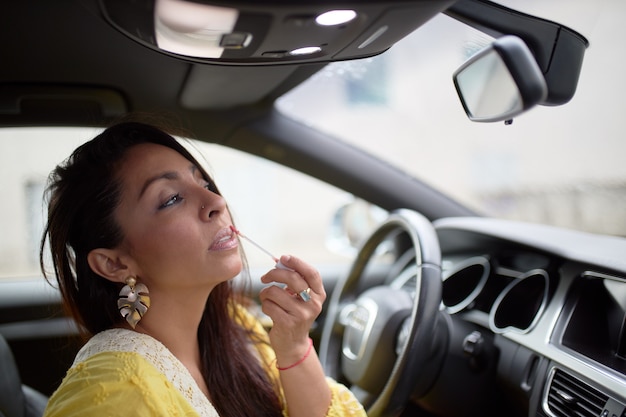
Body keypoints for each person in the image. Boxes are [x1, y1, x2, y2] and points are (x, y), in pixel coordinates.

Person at [40, 120, 366, 417]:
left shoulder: (235, 328)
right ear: (115, 263)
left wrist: (293, 344)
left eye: (204, 182)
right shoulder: (114, 396)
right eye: (171, 199)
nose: (216, 203)